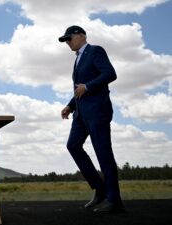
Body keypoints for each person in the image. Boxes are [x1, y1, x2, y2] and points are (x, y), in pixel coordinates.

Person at [58, 25, 124, 212]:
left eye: (69, 38)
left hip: (97, 112)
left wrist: (87, 87)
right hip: (80, 114)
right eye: (65, 41)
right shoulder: (78, 59)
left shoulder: (95, 51)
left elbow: (110, 74)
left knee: (103, 153)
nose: (67, 43)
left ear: (81, 36)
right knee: (72, 145)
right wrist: (70, 105)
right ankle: (100, 189)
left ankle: (114, 200)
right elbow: (79, 87)